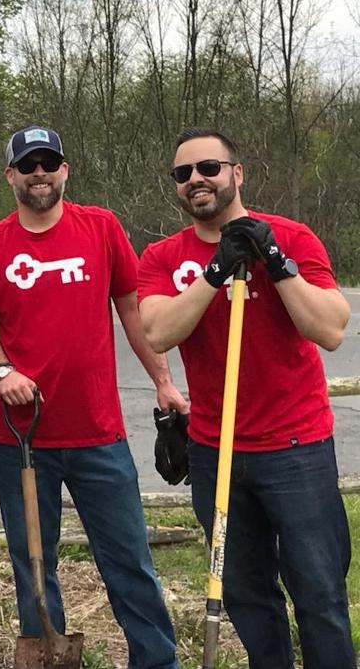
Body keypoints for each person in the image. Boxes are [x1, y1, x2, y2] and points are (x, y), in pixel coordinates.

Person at [0, 126, 186, 668]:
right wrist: (3, 371)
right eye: (29, 164)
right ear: (10, 175)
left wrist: (163, 380)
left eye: (50, 162)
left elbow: (133, 311)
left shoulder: (101, 228)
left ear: (65, 170)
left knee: (128, 560)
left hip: (98, 433)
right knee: (34, 562)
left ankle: (157, 661)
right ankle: (48, 652)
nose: (40, 172)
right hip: (22, 437)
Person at [137, 127, 355, 668]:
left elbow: (329, 329)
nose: (196, 180)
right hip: (217, 452)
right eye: (183, 173)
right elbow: (159, 331)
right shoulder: (164, 257)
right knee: (245, 593)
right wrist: (214, 273)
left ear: (237, 173)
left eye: (208, 167)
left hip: (296, 448)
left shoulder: (292, 237)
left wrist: (276, 263)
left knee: (319, 592)